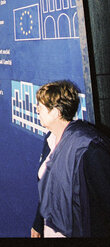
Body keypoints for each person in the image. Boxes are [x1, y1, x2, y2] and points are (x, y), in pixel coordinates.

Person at [31, 80, 110, 238]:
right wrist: (38, 223)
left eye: (41, 105)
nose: (37, 109)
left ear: (56, 112)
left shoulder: (88, 147)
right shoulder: (50, 139)